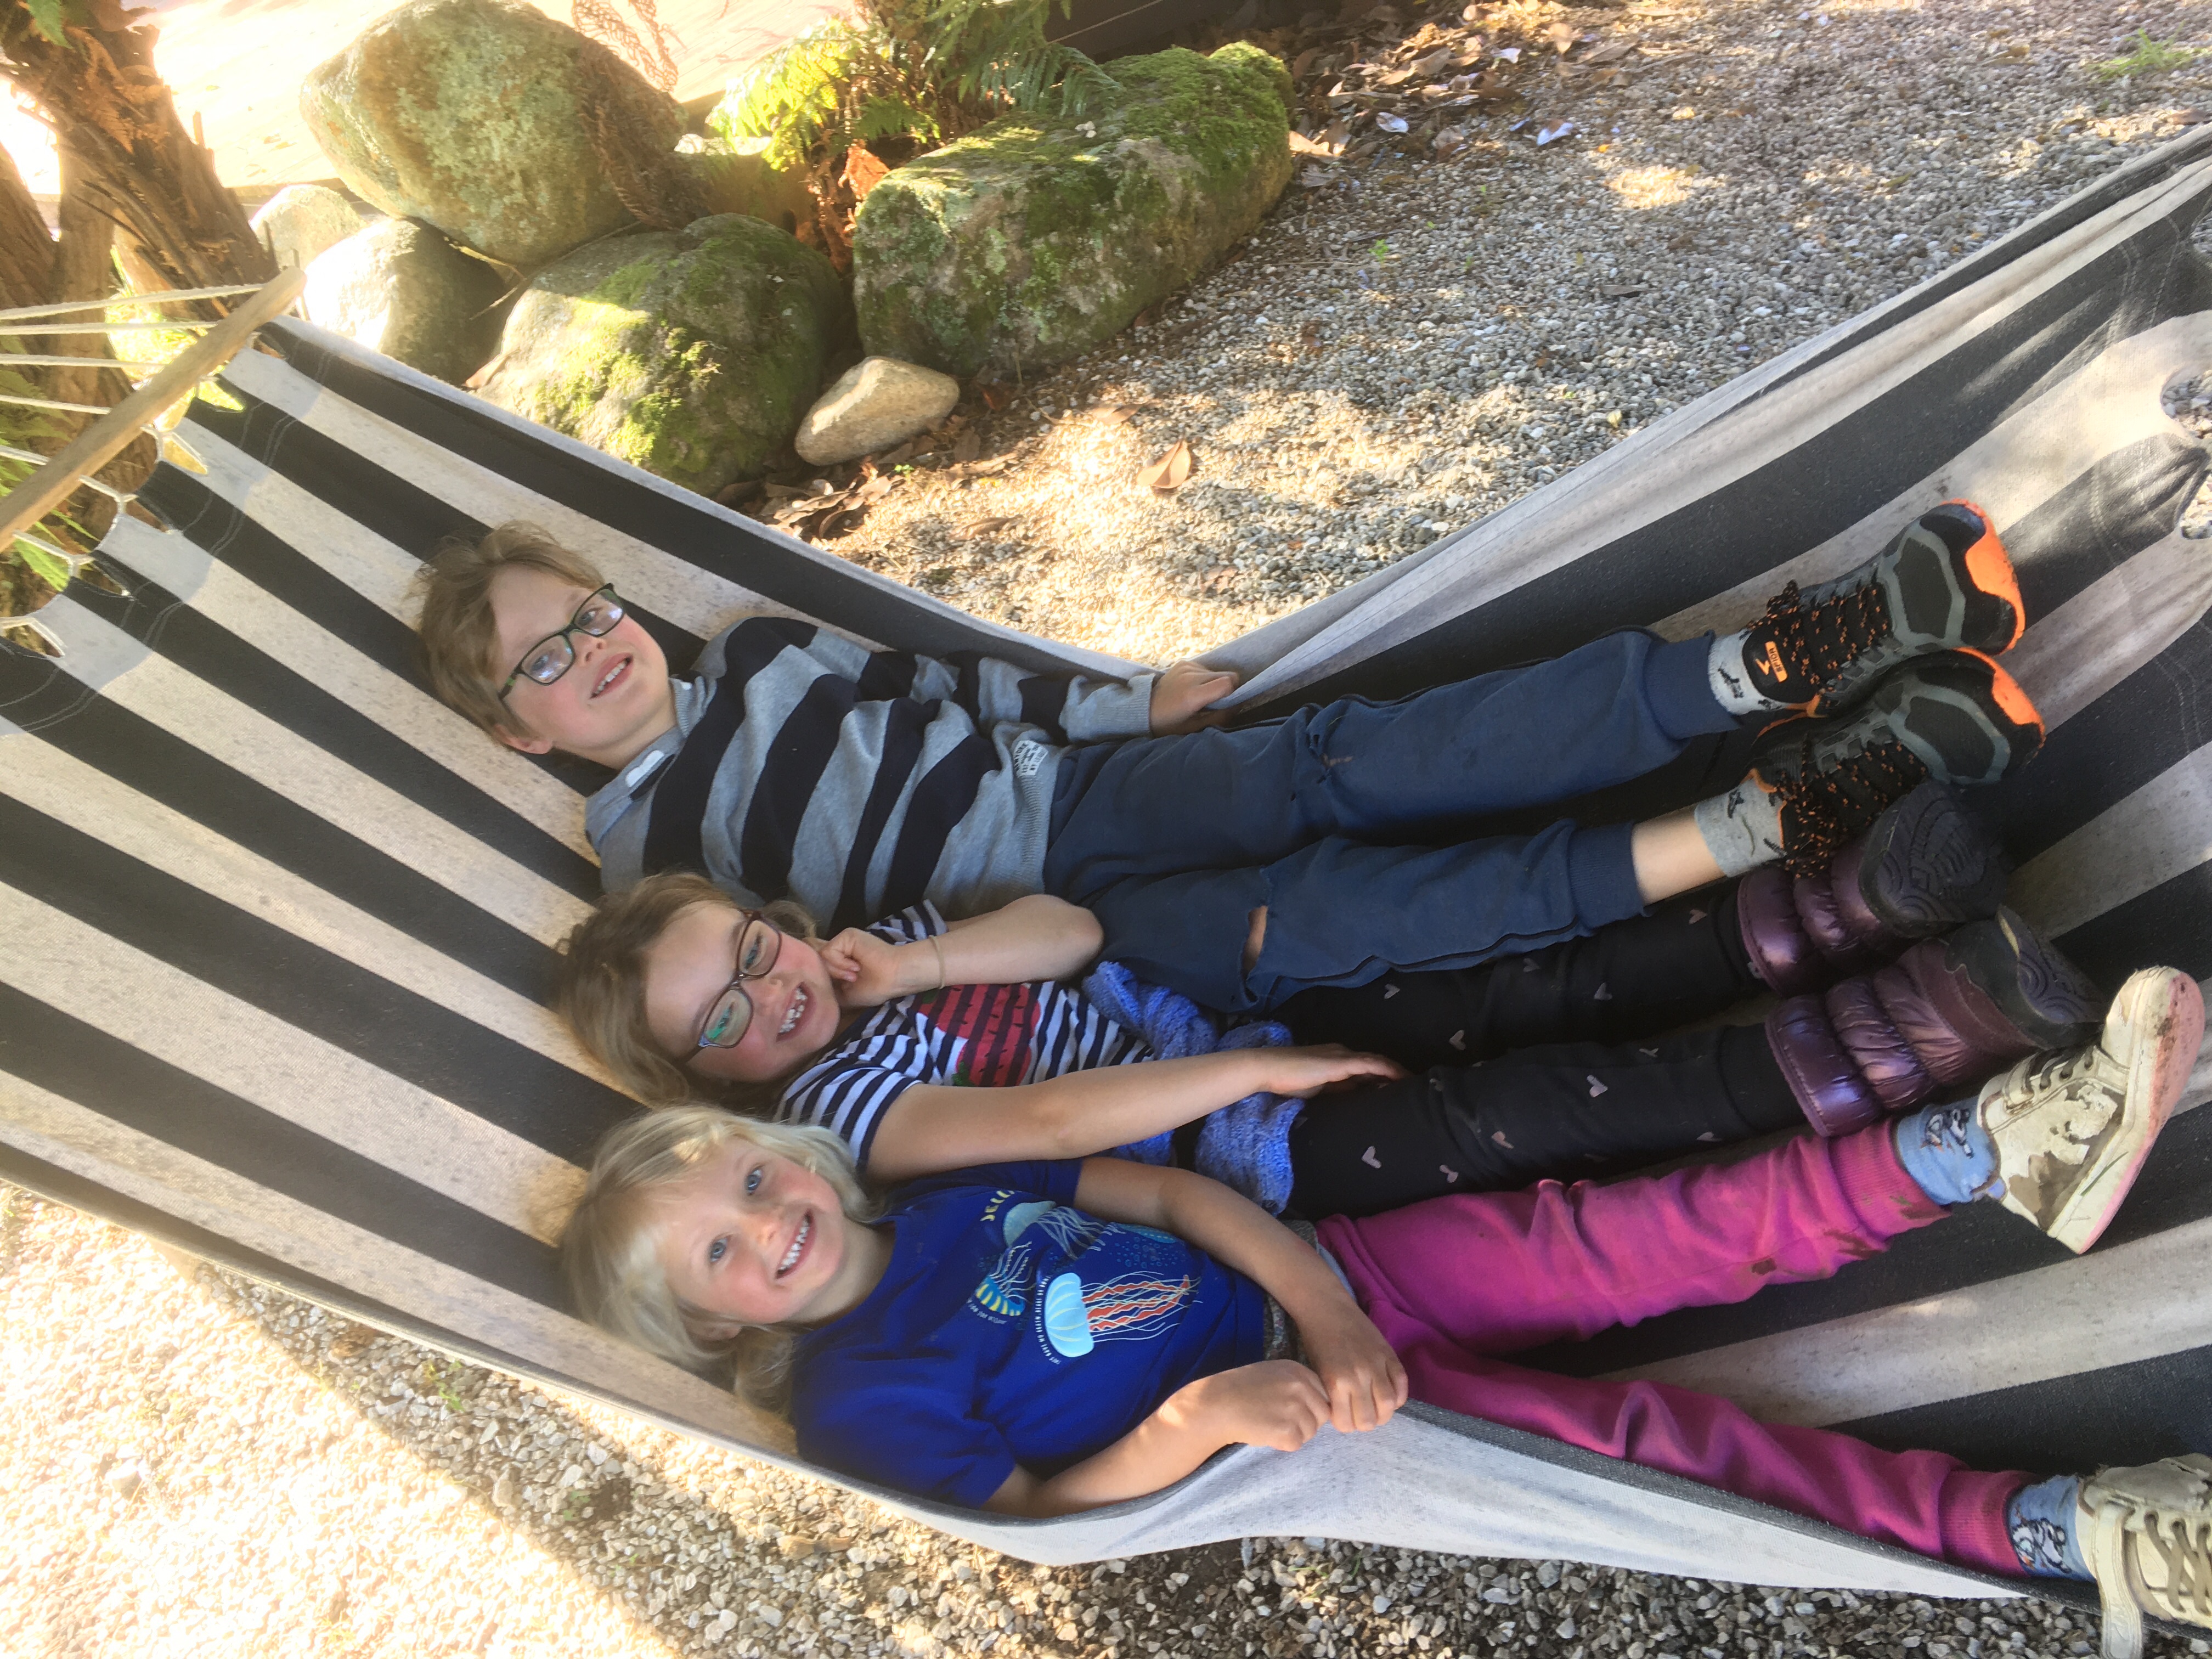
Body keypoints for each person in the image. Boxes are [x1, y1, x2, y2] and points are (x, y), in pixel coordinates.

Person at [558, 968, 2210, 1659]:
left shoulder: (930, 1201)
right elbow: (1037, 1514)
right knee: (1667, 1459)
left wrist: (1322, 1304)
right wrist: (1199, 1419)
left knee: (1628, 1238)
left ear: (785, 1154)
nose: (767, 1225)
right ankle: (2064, 1533)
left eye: (749, 1182)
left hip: (1340, 1292)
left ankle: (1984, 1150)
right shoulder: (856, 1399)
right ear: (713, 1331)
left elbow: (1174, 1201)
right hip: (1322, 1438)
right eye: (720, 1255)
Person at [417, 505, 2043, 1012]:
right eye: (544, 661)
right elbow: (762, 992)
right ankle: (1777, 814)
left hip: (1075, 788)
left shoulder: (765, 647)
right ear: (514, 732)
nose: (594, 648)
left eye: (591, 611)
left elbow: (958, 682)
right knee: (1355, 919)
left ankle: (1775, 663)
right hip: (1052, 948)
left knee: (1362, 760)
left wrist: (1128, 705)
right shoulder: (643, 869)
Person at [552, 782, 2103, 1217]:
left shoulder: (873, 960)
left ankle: (1842, 910)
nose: (766, 996)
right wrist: (1252, 1084)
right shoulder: (832, 1113)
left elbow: (1069, 926)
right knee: (1538, 1113)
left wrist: (921, 960)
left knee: (1526, 985)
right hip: (1232, 1162)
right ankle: (1911, 1032)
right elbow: (1051, 1121)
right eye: (719, 1021)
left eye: (748, 951)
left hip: (1228, 1039)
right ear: (708, 1078)